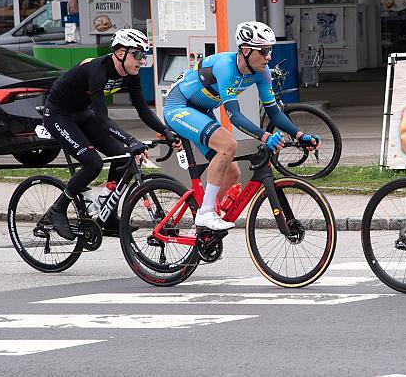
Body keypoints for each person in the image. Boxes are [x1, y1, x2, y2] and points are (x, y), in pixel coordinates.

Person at [163, 21, 321, 231]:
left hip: (202, 111)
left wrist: (300, 135)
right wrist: (264, 137)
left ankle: (202, 229)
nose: (269, 57)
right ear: (245, 50)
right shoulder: (225, 67)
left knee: (232, 173)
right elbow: (235, 116)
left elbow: (274, 113)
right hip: (179, 107)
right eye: (263, 51)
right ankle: (206, 213)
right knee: (228, 145)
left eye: (270, 50)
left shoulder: (262, 73)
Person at [43, 28, 181, 240]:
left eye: (144, 55)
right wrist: (130, 139)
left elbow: (143, 110)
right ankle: (58, 209)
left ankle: (107, 216)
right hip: (59, 114)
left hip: (81, 112)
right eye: (137, 55)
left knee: (124, 157)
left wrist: (166, 131)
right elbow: (102, 118)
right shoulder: (98, 70)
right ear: (120, 53)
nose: (141, 60)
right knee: (93, 163)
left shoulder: (130, 73)